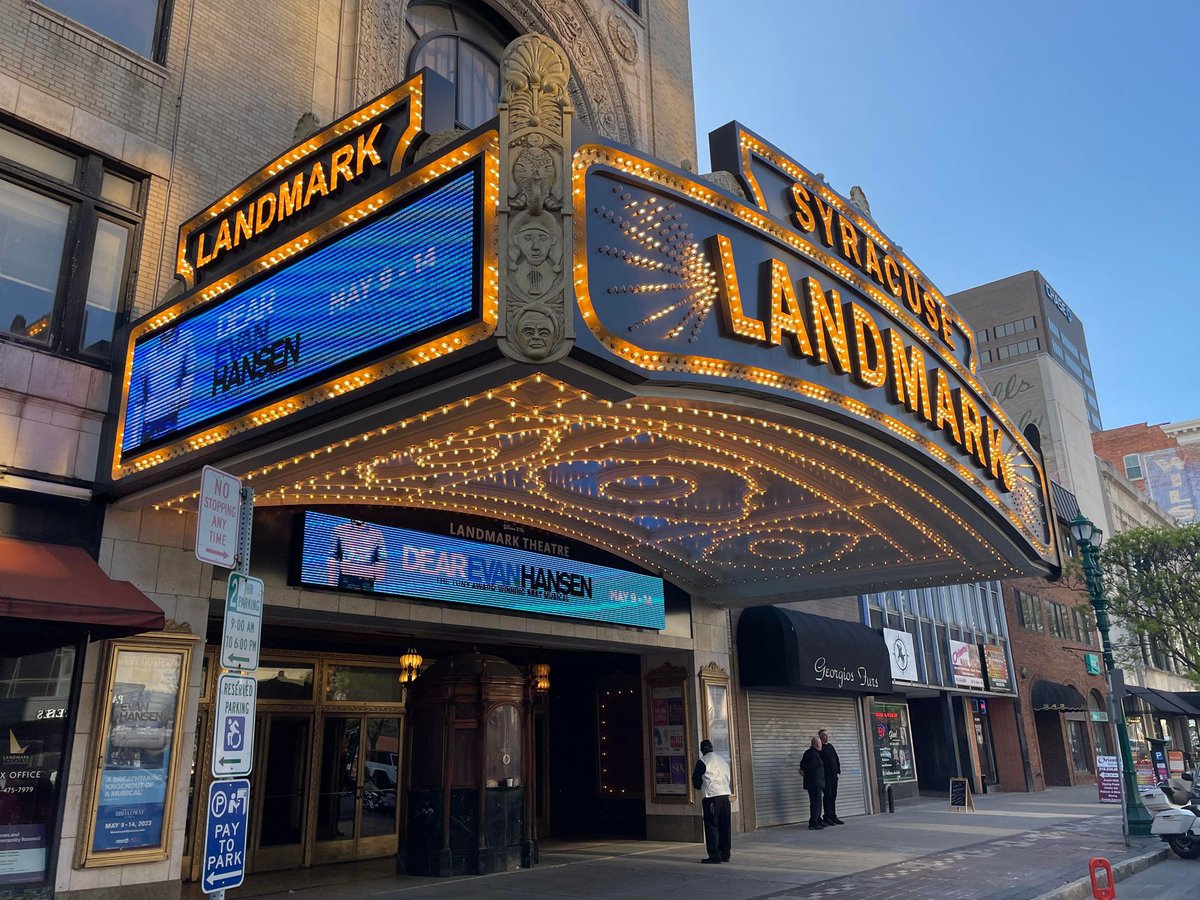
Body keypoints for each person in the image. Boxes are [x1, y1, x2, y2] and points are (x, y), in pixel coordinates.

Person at [691, 739, 732, 863]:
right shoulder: (722, 760)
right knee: (725, 825)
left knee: (712, 825)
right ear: (712, 748)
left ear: (702, 750)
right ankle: (725, 854)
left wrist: (701, 786)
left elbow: (696, 781)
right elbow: (728, 777)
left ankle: (714, 855)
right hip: (725, 795)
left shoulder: (703, 761)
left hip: (712, 797)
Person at [818, 728, 844, 825]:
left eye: (827, 735)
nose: (826, 737)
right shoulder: (820, 748)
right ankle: (827, 816)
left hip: (833, 775)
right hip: (826, 777)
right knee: (827, 796)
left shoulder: (830, 746)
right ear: (820, 737)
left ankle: (833, 816)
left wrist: (838, 770)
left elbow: (836, 758)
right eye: (824, 735)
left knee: (833, 796)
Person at [799, 736, 826, 830]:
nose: (821, 745)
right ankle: (813, 822)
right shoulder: (812, 755)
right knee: (816, 802)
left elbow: (802, 767)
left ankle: (818, 819)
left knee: (817, 802)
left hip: (815, 783)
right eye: (820, 743)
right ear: (817, 744)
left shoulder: (811, 753)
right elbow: (809, 769)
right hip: (814, 783)